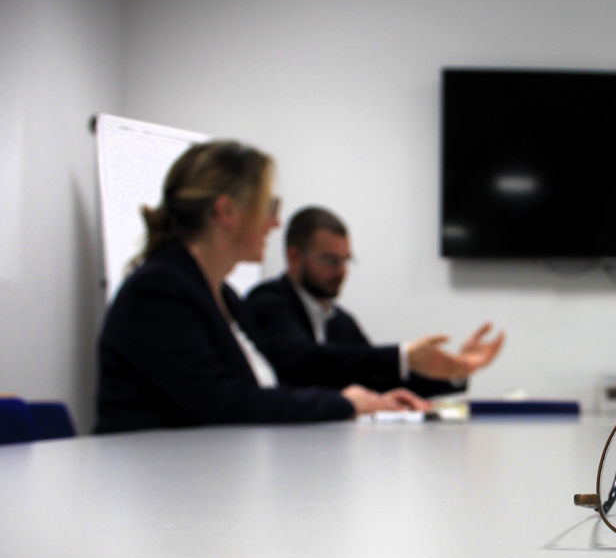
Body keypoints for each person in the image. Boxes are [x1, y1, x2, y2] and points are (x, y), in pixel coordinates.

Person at [95, 141, 418, 434]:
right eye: (269, 207)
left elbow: (268, 392)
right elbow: (225, 405)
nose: (275, 223)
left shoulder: (225, 297)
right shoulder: (158, 292)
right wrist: (345, 403)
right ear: (227, 211)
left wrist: (360, 400)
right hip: (154, 486)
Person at [244, 207, 503, 400]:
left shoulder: (341, 321)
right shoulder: (268, 302)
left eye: (346, 260)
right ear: (294, 257)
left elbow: (377, 378)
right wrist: (404, 355)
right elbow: (303, 361)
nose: (342, 271)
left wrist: (456, 368)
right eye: (331, 261)